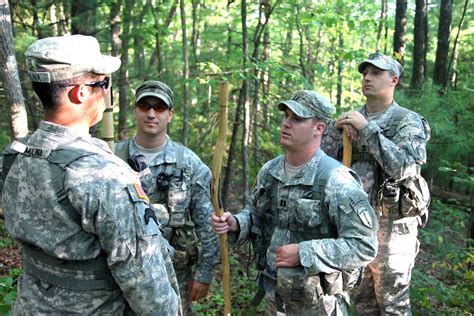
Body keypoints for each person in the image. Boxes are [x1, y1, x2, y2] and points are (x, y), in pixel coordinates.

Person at [0, 35, 181, 315]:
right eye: (103, 83)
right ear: (80, 93)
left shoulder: (14, 157)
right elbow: (149, 290)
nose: (106, 92)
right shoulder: (103, 175)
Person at [211, 90, 378, 315]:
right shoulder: (270, 171)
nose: (286, 124)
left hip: (318, 304)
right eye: (286, 116)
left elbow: (364, 245)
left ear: (319, 128)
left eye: (297, 119)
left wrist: (304, 252)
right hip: (274, 296)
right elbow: (257, 216)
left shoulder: (336, 180)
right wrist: (237, 223)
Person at [321, 52, 431, 315]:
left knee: (393, 305)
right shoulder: (348, 118)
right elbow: (323, 165)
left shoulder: (407, 120)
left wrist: (367, 130)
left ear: (393, 80)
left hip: (392, 229)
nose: (367, 78)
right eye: (364, 73)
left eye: (376, 73)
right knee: (363, 304)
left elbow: (406, 167)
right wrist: (334, 134)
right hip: (353, 227)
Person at [114, 80, 220, 315]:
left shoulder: (189, 163)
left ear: (170, 115)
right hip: (118, 275)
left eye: (159, 108)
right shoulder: (112, 158)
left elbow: (207, 224)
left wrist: (203, 274)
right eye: (145, 106)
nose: (152, 114)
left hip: (173, 274)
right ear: (135, 110)